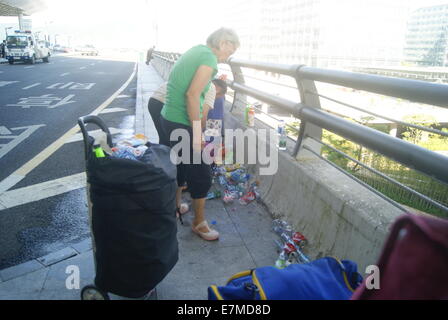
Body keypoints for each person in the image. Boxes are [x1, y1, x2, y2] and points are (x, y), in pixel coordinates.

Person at [160, 28, 239, 241]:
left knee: (181, 166)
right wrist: (197, 132)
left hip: (169, 117)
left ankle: (176, 206)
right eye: (230, 50)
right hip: (181, 121)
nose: (228, 57)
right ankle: (199, 224)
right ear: (223, 43)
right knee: (202, 174)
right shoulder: (209, 58)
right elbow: (193, 95)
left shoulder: (197, 51)